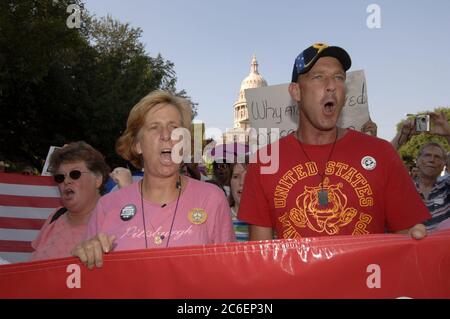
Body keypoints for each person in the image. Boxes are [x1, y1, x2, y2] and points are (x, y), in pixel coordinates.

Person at [238, 43, 430, 241]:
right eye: (318, 77)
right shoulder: (265, 161)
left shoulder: (382, 153)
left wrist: (415, 237)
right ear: (296, 92)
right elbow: (261, 252)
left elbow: (406, 239)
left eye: (339, 77)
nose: (331, 85)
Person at [72, 91, 235, 269]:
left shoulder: (212, 199)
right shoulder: (107, 206)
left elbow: (227, 273)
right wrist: (87, 256)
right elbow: (87, 280)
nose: (166, 135)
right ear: (137, 145)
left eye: (174, 127)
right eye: (154, 127)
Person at [30, 141, 110, 261]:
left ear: (98, 179)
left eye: (75, 174)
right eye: (60, 177)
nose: (66, 181)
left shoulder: (112, 221)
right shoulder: (55, 216)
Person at [413, 142, 449, 231]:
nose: (432, 160)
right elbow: (383, 162)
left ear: (443, 164)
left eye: (437, 157)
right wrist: (402, 136)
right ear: (417, 161)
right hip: (411, 244)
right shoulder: (404, 188)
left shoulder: (447, 187)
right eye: (427, 155)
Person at [229, 160, 249, 242]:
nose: (242, 182)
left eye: (248, 176)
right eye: (236, 176)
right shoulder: (220, 217)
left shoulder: (270, 221)